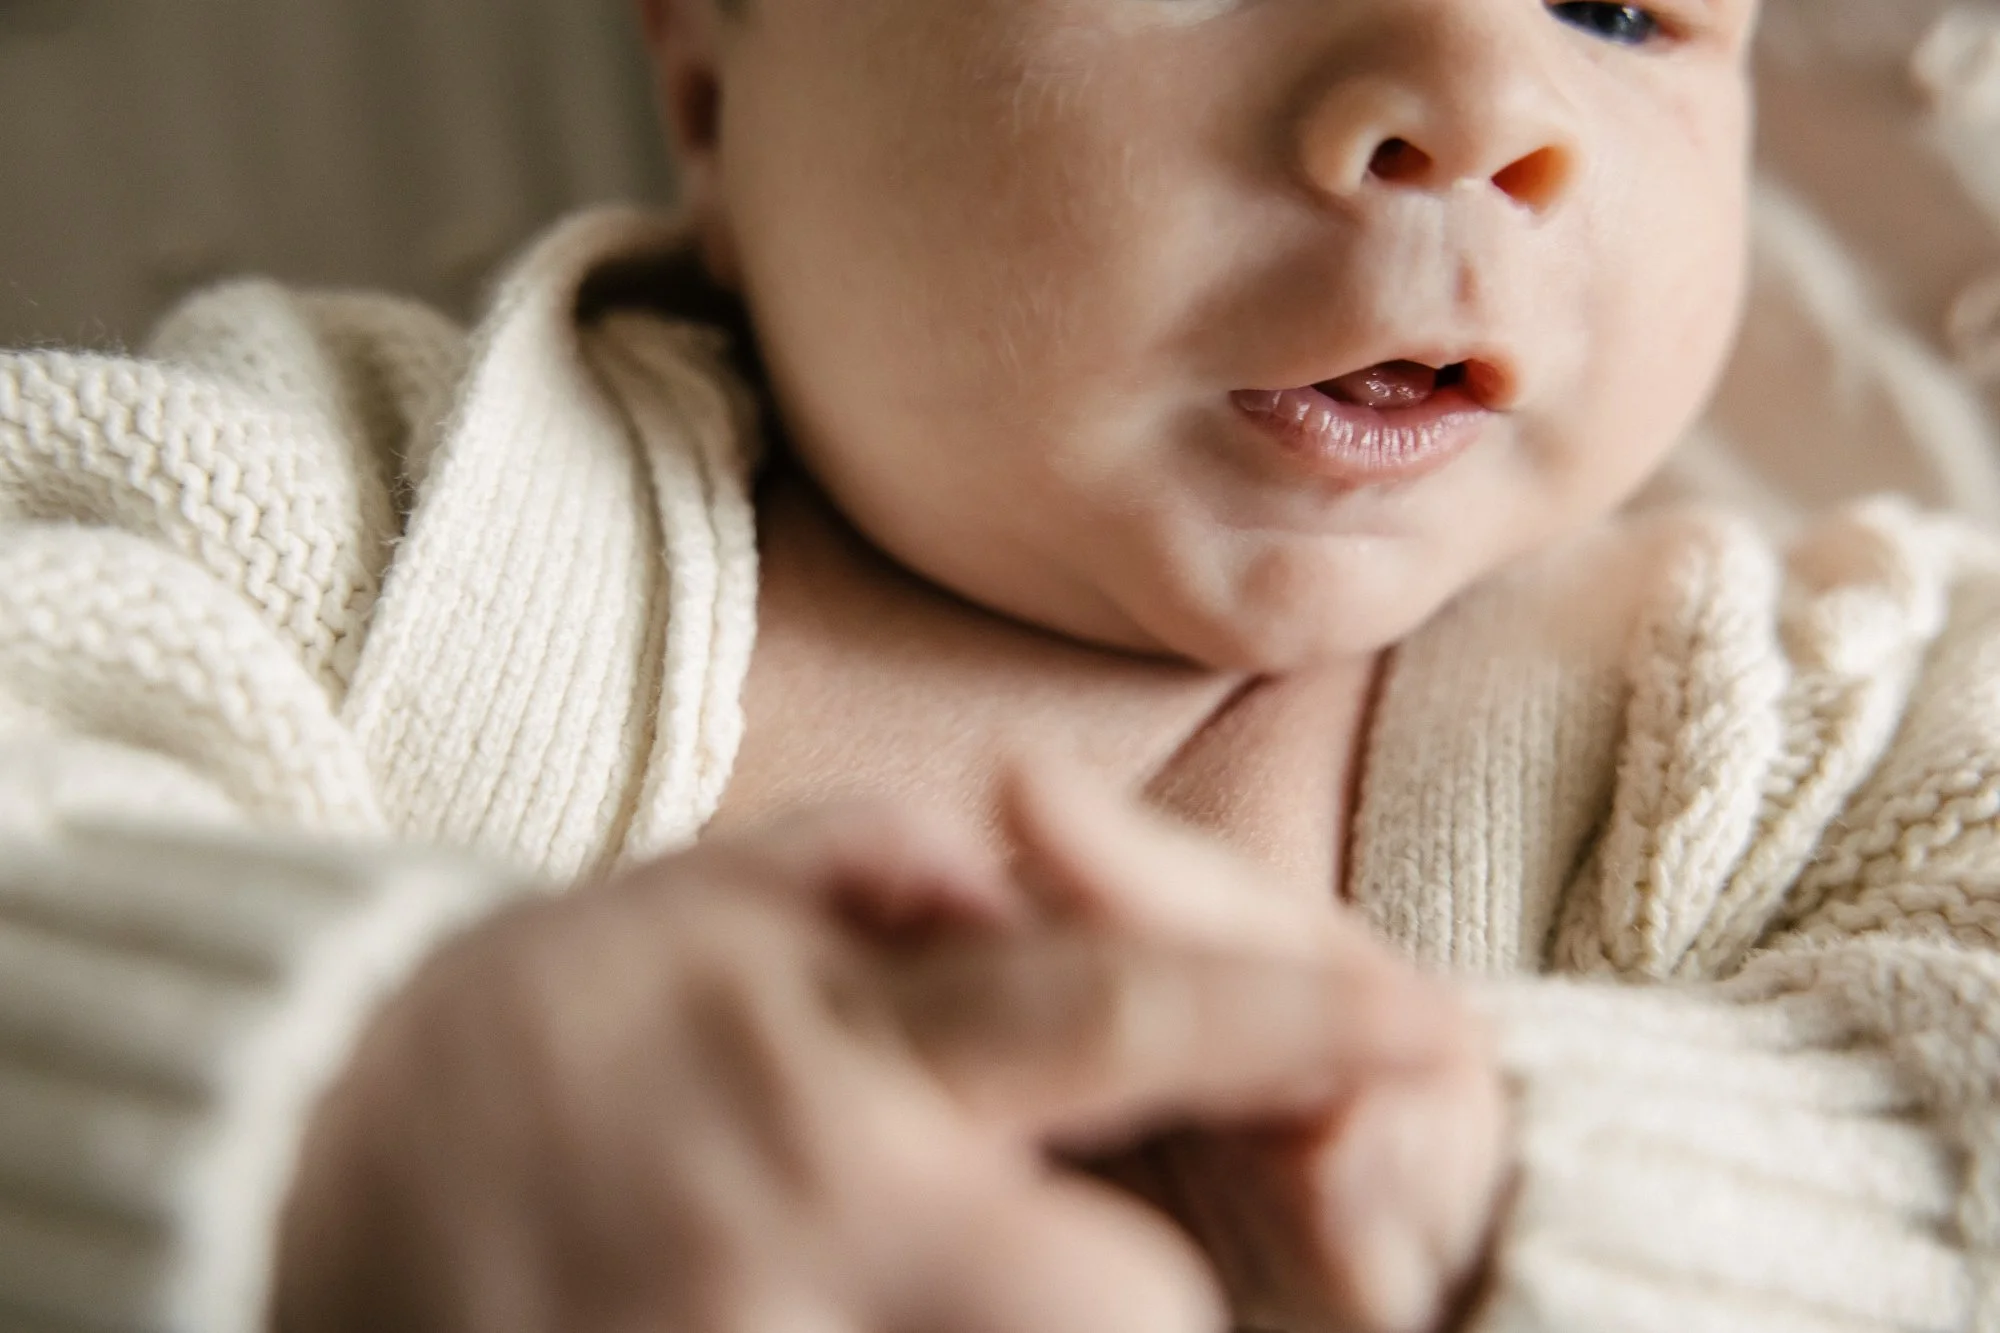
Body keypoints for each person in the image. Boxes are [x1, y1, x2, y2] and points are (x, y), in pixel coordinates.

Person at [1, 0, 1994, 1330]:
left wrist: (1523, 1192)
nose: (1485, 109)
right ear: (717, 72)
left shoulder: (1791, 711)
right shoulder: (359, 514)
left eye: (1614, 2)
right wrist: (354, 1117)